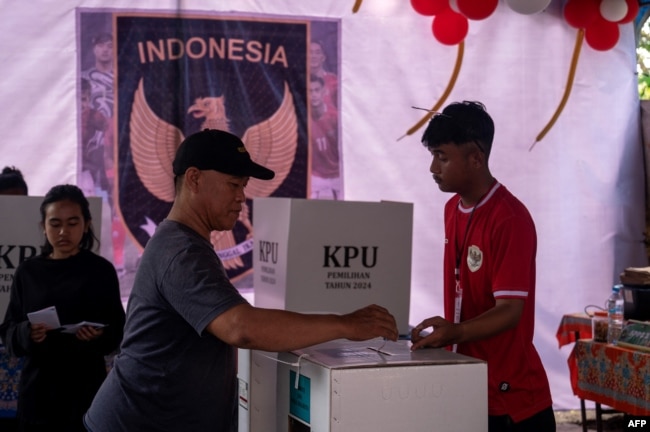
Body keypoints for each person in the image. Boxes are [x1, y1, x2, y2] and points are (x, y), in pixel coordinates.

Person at [83, 129, 398, 431]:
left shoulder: (186, 243)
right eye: (234, 185)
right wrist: (345, 325)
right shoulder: (180, 251)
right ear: (194, 178)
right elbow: (240, 327)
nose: (241, 198)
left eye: (243, 186)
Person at [410, 102, 555, 432]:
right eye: (433, 156)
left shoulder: (510, 218)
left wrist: (456, 331)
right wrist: (446, 335)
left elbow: (509, 311)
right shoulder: (452, 209)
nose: (433, 167)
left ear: (475, 158)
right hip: (469, 386)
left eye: (442, 157)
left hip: (512, 399)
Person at [0, 184, 126, 432]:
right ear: (43, 226)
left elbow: (119, 331)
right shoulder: (28, 272)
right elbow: (8, 331)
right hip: (38, 393)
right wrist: (27, 332)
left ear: (86, 224)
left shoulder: (100, 271)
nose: (63, 232)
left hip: (86, 390)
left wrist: (99, 336)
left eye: (72, 223)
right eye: (55, 223)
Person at [309, 74, 341, 200]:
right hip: (316, 177)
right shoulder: (302, 119)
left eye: (317, 90)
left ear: (324, 92)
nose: (314, 95)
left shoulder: (336, 118)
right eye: (310, 91)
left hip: (338, 176)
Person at [309, 39, 338, 109]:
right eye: (310, 52)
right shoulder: (299, 81)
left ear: (323, 57)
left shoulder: (334, 81)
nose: (313, 56)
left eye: (317, 52)